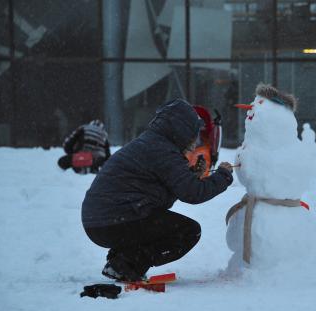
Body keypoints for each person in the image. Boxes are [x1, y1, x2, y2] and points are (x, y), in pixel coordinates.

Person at [81, 99, 234, 282]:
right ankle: (126, 263)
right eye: (194, 134)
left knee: (157, 221)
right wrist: (223, 176)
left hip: (102, 221)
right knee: (187, 231)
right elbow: (193, 193)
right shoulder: (163, 151)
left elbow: (160, 192)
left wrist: (192, 175)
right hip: (113, 219)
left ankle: (122, 260)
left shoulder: (153, 143)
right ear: (181, 130)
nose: (195, 140)